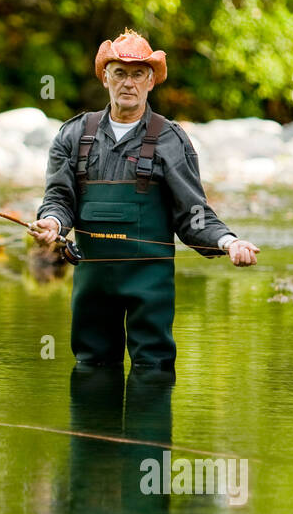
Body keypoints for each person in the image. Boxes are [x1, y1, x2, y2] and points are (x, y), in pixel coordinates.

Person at [30, 29, 259, 370]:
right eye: (119, 73)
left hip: (151, 287)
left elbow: (193, 214)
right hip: (92, 288)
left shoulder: (171, 139)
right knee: (91, 367)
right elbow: (59, 198)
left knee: (154, 368)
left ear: (151, 81)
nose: (128, 83)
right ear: (105, 77)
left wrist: (228, 242)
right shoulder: (74, 134)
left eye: (138, 74)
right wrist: (53, 222)